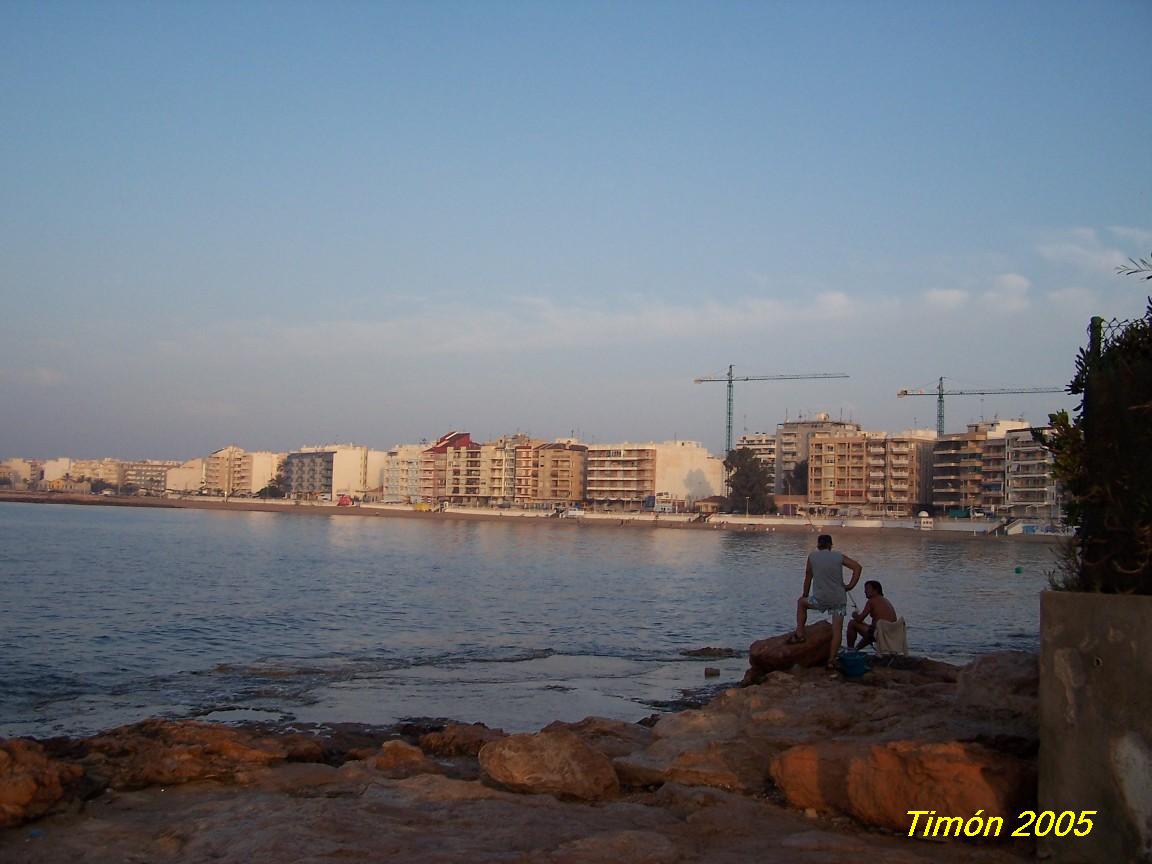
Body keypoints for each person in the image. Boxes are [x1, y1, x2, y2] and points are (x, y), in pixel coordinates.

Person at [787, 534, 863, 669]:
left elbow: (808, 577)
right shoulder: (838, 556)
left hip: (820, 599)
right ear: (830, 545)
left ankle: (800, 634)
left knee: (801, 603)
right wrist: (850, 585)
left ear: (818, 545)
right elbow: (857, 567)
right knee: (837, 630)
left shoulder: (812, 557)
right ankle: (832, 659)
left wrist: (804, 594)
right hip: (838, 599)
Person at [846, 580, 897, 650]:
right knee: (870, 630)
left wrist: (854, 614)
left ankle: (850, 650)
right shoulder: (885, 600)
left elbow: (859, 619)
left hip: (881, 634)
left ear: (875, 590)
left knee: (852, 623)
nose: (865, 591)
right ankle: (856, 649)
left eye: (867, 589)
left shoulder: (871, 601)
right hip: (891, 634)